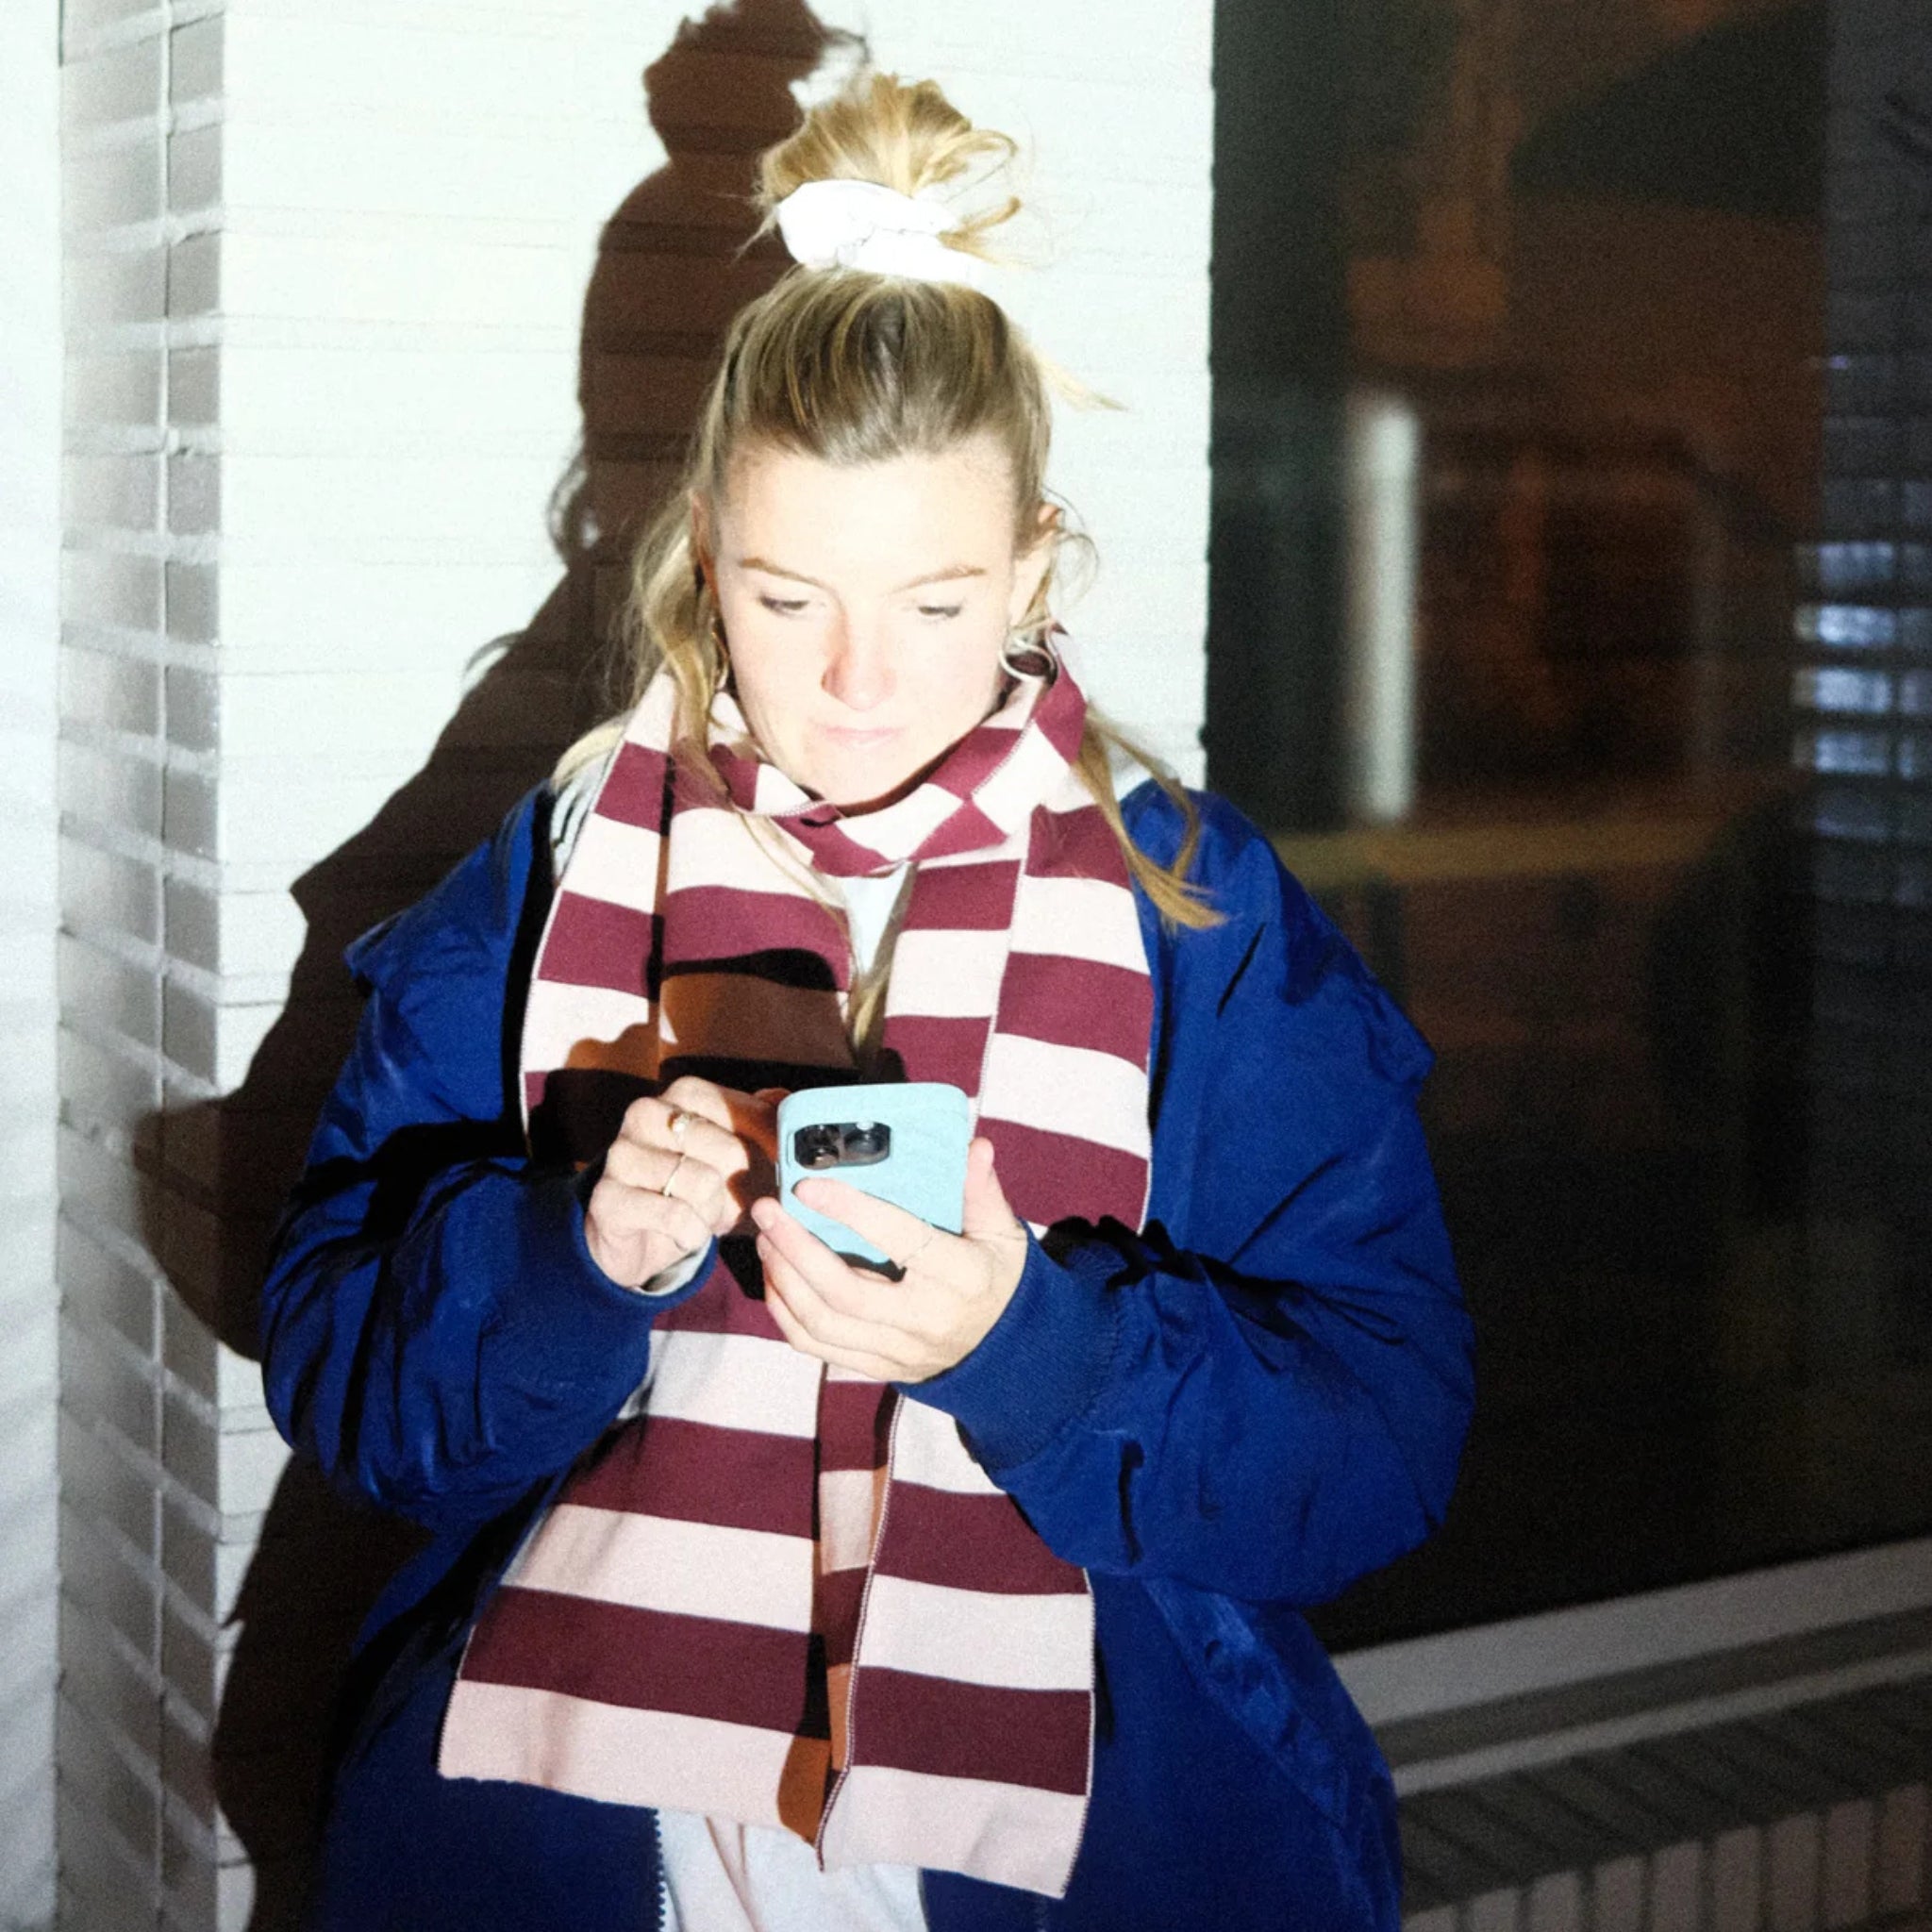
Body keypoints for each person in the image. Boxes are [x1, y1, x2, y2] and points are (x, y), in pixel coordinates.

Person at [261, 71, 1474, 1932]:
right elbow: (344, 1376)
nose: (850, 683)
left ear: (1034, 570)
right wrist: (563, 1262)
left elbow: (1385, 1440)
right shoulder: (563, 869)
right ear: (698, 556)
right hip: (587, 1836)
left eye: (930, 602)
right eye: (782, 593)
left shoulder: (1198, 915)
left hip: (1091, 1845)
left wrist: (1035, 1346)